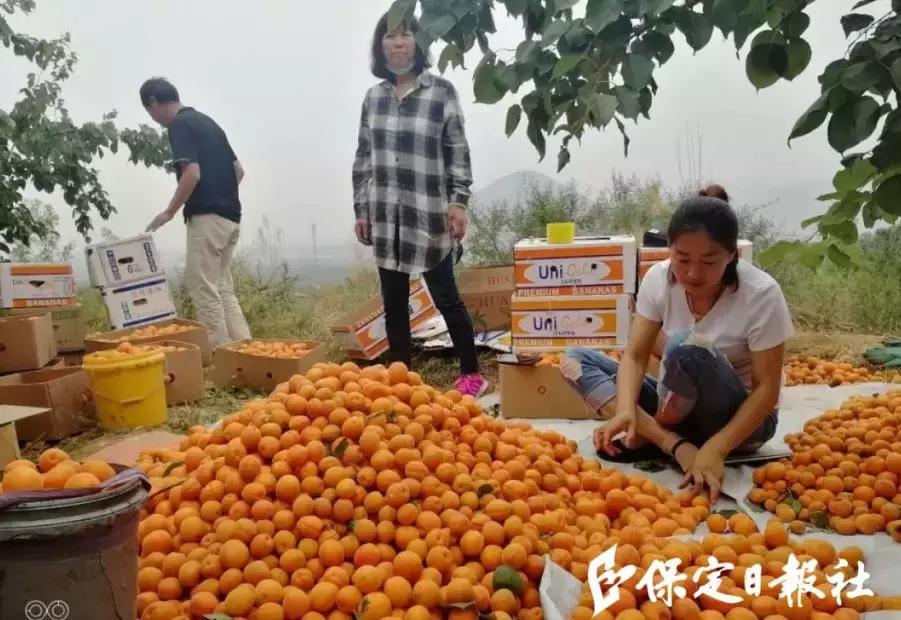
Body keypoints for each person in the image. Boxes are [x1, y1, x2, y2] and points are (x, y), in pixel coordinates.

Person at [562, 185, 794, 502]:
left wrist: (716, 448)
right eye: (682, 258)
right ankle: (672, 443)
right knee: (574, 360)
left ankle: (665, 437)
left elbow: (767, 390)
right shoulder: (658, 280)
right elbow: (635, 354)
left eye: (709, 261)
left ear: (732, 255)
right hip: (676, 409)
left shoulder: (761, 295)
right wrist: (626, 410)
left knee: (688, 349)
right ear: (669, 249)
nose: (693, 273)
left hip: (740, 423)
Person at [352, 13, 487, 397]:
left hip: (429, 213)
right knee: (394, 302)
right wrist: (361, 208)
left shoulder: (441, 92)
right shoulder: (373, 99)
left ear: (417, 43)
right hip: (384, 213)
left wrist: (458, 202)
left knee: (445, 296)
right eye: (390, 36)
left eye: (405, 35)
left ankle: (471, 372)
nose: (398, 43)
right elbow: (363, 156)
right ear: (381, 47)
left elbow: (457, 150)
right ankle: (401, 381)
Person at [140, 78, 251, 349]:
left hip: (207, 218)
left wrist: (169, 212)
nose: (154, 119)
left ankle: (221, 356)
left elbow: (192, 173)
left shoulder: (179, 125)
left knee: (203, 289)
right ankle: (247, 351)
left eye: (150, 111)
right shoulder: (208, 123)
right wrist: (221, 194)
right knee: (223, 287)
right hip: (231, 217)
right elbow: (239, 171)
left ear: (154, 103)